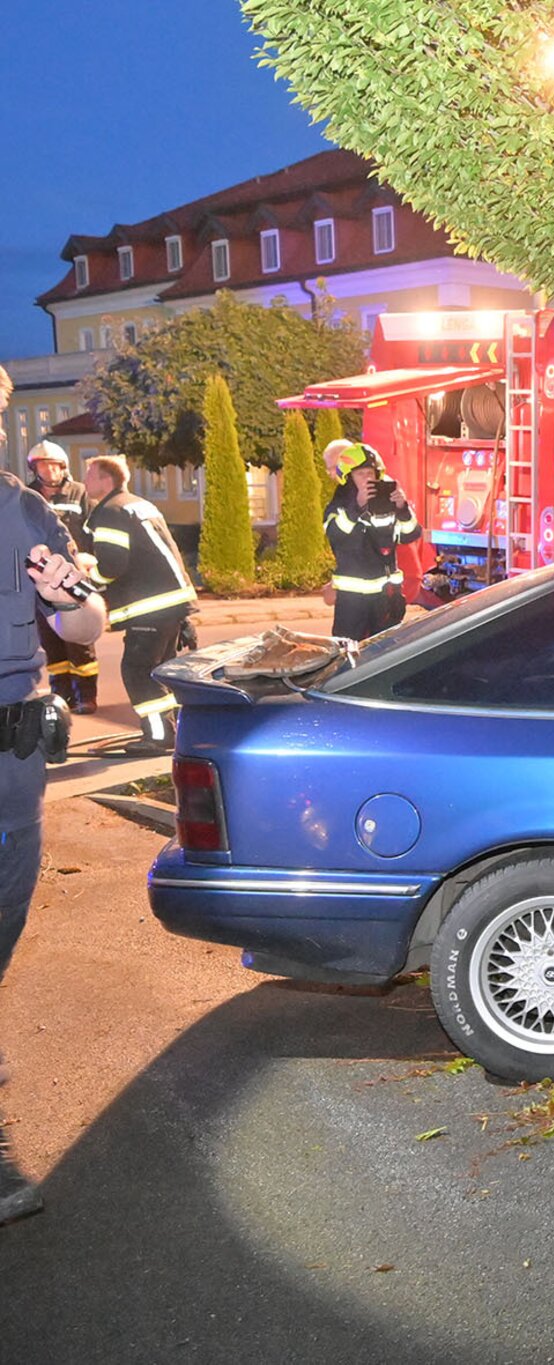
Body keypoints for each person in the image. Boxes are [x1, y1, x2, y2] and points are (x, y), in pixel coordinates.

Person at [0, 466, 107, 1227]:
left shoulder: (25, 508)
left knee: (5, 919)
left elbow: (86, 624)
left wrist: (72, 601)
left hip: (13, 758)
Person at [81, 455, 197, 755]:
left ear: (107, 480)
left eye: (90, 475)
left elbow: (112, 564)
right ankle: (171, 730)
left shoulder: (110, 512)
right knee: (159, 671)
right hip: (171, 602)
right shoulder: (137, 504)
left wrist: (88, 575)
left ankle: (158, 737)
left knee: (137, 671)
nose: (85, 482)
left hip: (149, 606)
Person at [24, 442, 99, 714]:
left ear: (63, 467)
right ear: (35, 468)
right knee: (51, 640)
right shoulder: (28, 496)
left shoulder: (78, 493)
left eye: (54, 465)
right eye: (44, 465)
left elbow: (92, 531)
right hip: (40, 582)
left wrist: (91, 562)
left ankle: (86, 694)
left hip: (74, 578)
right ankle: (62, 693)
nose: (50, 471)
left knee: (79, 641)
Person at [322, 440, 421, 641]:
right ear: (349, 477)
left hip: (387, 598)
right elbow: (336, 535)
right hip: (353, 602)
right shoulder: (339, 506)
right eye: (361, 474)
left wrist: (402, 508)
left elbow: (410, 534)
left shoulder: (387, 503)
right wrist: (357, 508)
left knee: (386, 654)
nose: (368, 478)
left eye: (371, 473)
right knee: (348, 654)